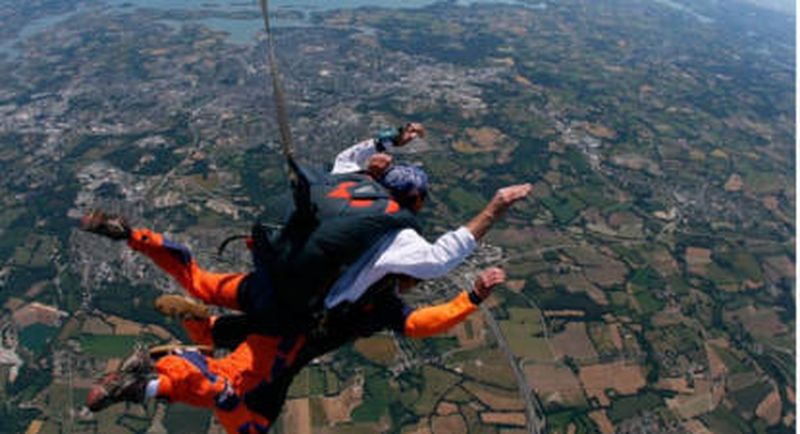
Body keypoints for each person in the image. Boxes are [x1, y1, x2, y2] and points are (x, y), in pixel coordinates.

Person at [87, 267, 508, 434]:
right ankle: (155, 377)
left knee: (224, 360)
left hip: (278, 318)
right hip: (291, 346)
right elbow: (420, 325)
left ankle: (156, 375)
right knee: (244, 412)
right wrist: (470, 298)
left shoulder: (349, 268)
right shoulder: (385, 305)